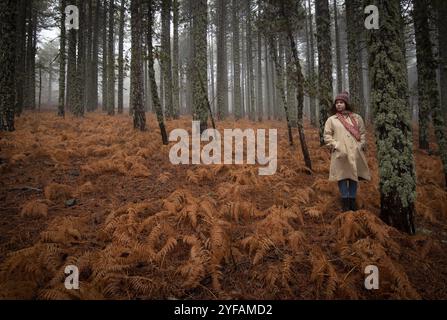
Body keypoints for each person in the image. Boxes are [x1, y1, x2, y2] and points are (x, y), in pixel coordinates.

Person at [323, 91, 371, 212]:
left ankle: (352, 201)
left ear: (346, 103)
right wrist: (336, 145)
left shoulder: (356, 117)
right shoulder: (331, 120)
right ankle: (345, 203)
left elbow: (363, 133)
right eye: (337, 103)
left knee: (354, 176)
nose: (339, 105)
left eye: (341, 102)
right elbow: (327, 136)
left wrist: (360, 145)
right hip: (341, 152)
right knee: (342, 177)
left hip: (355, 152)